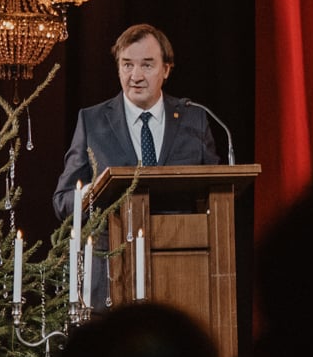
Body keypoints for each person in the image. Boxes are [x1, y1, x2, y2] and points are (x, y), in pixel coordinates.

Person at [52, 24, 221, 222]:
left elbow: (218, 190)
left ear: (166, 70)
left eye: (147, 65)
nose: (136, 76)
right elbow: (62, 202)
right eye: (127, 65)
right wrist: (93, 191)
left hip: (182, 238)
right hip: (114, 240)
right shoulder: (92, 122)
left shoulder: (193, 119)